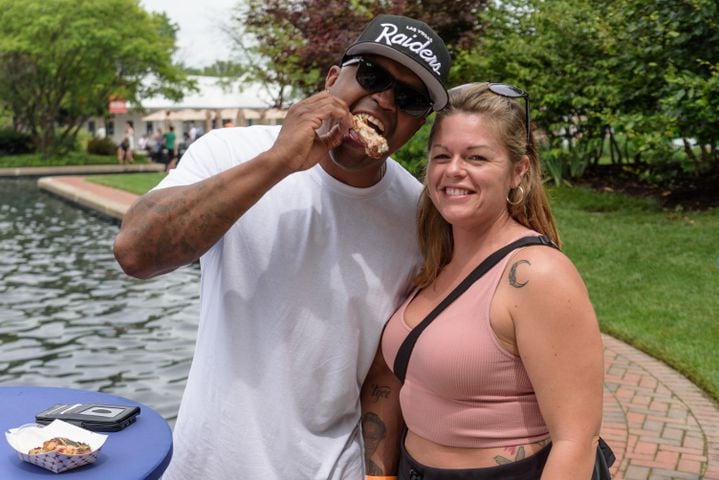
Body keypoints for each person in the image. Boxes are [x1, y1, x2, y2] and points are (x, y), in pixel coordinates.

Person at [113, 14, 451, 480]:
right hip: (207, 467)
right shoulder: (229, 153)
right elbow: (136, 252)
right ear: (333, 79)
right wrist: (279, 161)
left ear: (418, 124)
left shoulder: (418, 216)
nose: (384, 101)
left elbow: (384, 371)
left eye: (410, 99)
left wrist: (378, 474)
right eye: (371, 76)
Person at [362, 82, 605, 479]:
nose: (454, 170)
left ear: (518, 171)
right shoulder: (435, 261)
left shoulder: (537, 275)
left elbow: (576, 440)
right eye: (442, 156)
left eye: (476, 157)